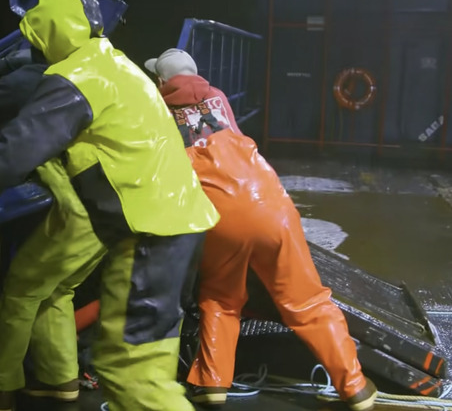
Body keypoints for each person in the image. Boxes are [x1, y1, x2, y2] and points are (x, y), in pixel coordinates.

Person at [0, 0, 220, 411]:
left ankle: (4, 388)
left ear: (47, 35)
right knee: (142, 367)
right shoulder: (115, 65)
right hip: (172, 224)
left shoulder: (73, 78)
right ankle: (57, 382)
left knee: (132, 377)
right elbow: (63, 136)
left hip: (149, 233)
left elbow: (16, 152)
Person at [145, 48, 378, 411]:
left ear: (161, 82)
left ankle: (212, 383)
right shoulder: (218, 97)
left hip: (221, 216)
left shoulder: (157, 109)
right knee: (307, 302)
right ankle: (355, 387)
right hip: (270, 204)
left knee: (220, 300)